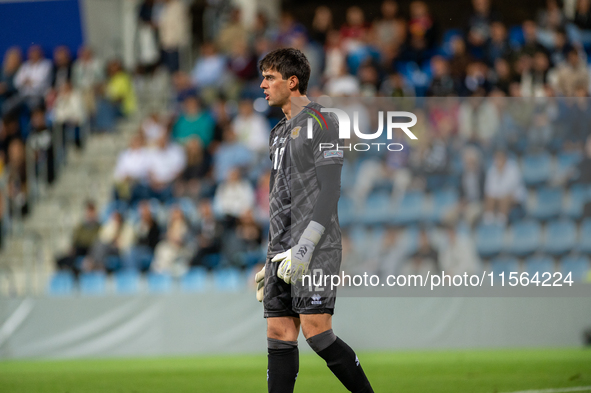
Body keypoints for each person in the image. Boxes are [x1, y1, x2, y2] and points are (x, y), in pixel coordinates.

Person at [255, 48, 373, 393]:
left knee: (317, 331)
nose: (262, 84)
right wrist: (270, 254)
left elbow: (330, 189)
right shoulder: (277, 132)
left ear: (292, 82)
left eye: (270, 77)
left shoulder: (322, 121)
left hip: (315, 246)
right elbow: (281, 195)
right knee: (279, 332)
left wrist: (306, 245)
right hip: (281, 249)